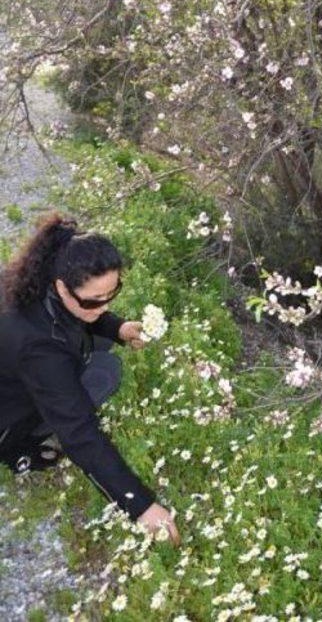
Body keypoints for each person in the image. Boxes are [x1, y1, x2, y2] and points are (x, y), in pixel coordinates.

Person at [0, 211, 180, 546]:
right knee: (103, 373)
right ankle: (23, 446)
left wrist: (118, 328)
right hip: (5, 417)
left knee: (96, 341)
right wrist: (140, 506)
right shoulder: (38, 348)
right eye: (95, 300)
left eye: (113, 293)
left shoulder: (46, 268)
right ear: (61, 287)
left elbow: (85, 311)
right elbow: (80, 433)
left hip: (12, 369)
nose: (104, 305)